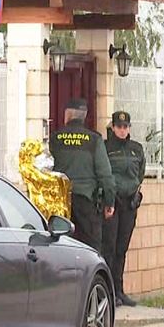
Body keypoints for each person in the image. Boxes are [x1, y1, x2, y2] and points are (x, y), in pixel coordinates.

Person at [49, 98, 117, 252]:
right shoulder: (94, 140)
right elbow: (105, 174)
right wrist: (110, 202)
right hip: (86, 201)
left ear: (67, 115)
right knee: (90, 249)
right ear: (84, 116)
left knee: (62, 247)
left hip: (61, 203)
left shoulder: (55, 138)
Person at [104, 111, 146, 307]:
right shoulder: (105, 148)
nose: (122, 130)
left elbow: (140, 174)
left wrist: (134, 191)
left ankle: (119, 291)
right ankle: (109, 291)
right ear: (113, 127)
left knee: (122, 248)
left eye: (125, 127)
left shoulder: (136, 149)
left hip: (129, 204)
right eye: (119, 127)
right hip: (112, 203)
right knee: (109, 248)